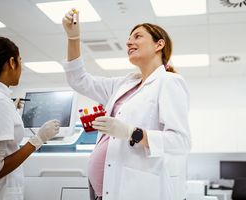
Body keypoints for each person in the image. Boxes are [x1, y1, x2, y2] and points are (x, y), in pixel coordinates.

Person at [62, 9, 191, 200]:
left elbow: (181, 142)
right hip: (104, 192)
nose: (129, 42)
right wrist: (74, 38)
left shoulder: (169, 82)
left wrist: (133, 133)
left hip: (136, 191)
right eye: (129, 38)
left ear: (159, 44)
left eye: (137, 36)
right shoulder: (123, 84)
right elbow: (78, 80)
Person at [0, 36, 60, 200]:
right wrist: (38, 139)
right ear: (12, 62)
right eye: (20, 61)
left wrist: (9, 110)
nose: (22, 67)